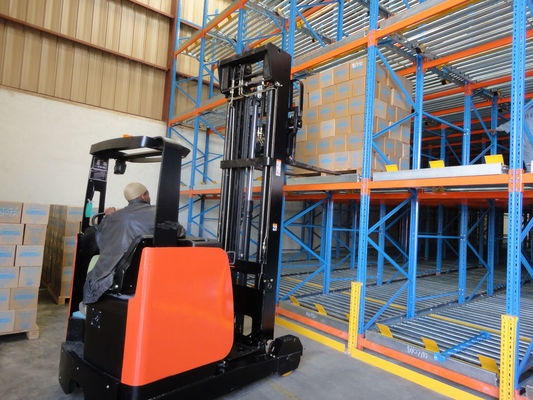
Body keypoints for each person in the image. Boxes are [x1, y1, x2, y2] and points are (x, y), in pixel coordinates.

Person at [82, 182, 186, 306]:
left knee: (95, 263)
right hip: (152, 274)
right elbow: (180, 233)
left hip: (118, 277)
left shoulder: (113, 217)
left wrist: (108, 218)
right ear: (143, 196)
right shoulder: (161, 213)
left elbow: (100, 242)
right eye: (148, 194)